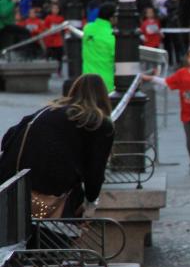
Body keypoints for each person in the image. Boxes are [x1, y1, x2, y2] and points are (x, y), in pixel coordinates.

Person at [0, 74, 115, 219]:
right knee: (68, 219)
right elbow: (95, 169)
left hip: (10, 184)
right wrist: (91, 202)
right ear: (104, 97)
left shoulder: (48, 111)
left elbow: (7, 138)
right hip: (45, 194)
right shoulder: (99, 123)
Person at [144, 46, 190, 175]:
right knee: (189, 140)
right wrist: (151, 78)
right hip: (186, 111)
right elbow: (167, 82)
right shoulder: (182, 73)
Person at [82, 3, 116, 92]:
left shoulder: (87, 28)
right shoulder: (112, 36)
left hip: (87, 81)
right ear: (112, 18)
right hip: (106, 83)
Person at [43, 3, 65, 75]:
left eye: (57, 9)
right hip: (50, 41)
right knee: (48, 56)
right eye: (54, 8)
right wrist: (50, 31)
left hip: (58, 42)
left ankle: (59, 71)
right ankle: (46, 71)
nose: (55, 10)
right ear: (51, 10)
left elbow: (63, 28)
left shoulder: (61, 18)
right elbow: (45, 27)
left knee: (59, 57)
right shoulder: (48, 18)